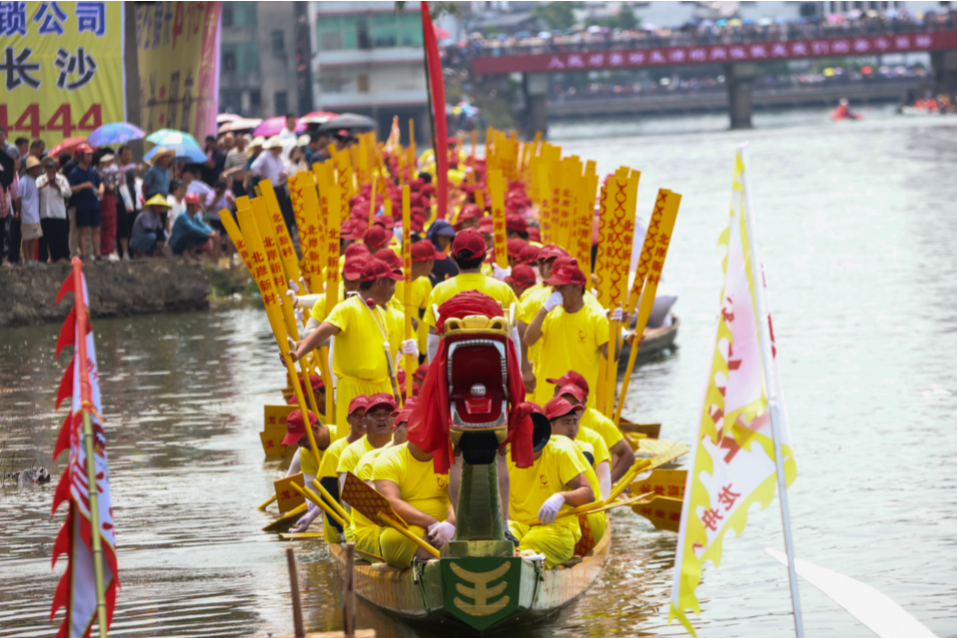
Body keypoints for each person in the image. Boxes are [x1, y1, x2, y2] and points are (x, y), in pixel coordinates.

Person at [289, 259, 414, 430]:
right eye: (391, 283)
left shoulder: (380, 312)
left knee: (382, 444)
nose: (394, 289)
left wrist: (393, 384)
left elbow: (385, 351)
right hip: (353, 389)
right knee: (353, 442)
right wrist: (298, 353)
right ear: (378, 283)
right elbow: (319, 333)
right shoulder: (347, 309)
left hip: (381, 387)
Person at [524, 258, 622, 408]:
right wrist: (543, 310)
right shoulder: (550, 313)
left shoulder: (595, 316)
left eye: (562, 288)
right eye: (555, 287)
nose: (556, 292)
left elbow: (612, 356)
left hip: (578, 404)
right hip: (547, 399)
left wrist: (614, 328)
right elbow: (528, 340)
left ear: (577, 290)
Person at [506, 414, 594, 569]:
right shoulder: (505, 457)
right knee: (498, 542)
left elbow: (588, 494)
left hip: (558, 528)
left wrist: (562, 497)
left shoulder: (560, 453)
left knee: (532, 542)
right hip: (521, 526)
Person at [423, 228, 519, 361]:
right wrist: (516, 375)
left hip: (452, 371)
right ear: (485, 257)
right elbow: (513, 339)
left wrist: (436, 377)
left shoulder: (440, 290)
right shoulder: (503, 289)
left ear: (452, 257)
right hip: (496, 372)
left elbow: (433, 340)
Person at [373, 420, 455, 569]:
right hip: (401, 529)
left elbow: (459, 499)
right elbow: (391, 502)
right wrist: (432, 523)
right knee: (421, 537)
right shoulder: (388, 459)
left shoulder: (449, 456)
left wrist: (450, 523)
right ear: (410, 433)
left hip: (447, 528)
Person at [291, 395, 369, 539]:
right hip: (341, 528)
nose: (362, 420)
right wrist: (312, 511)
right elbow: (327, 495)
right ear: (348, 420)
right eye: (357, 416)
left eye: (366, 415)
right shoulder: (334, 451)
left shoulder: (381, 445)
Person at [544, 396, 608, 544]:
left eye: (575, 422)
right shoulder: (544, 449)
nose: (573, 428)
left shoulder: (583, 447)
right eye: (567, 423)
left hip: (587, 524)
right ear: (548, 426)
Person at [550, 373, 634, 482]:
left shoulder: (600, 423)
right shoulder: (552, 418)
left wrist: (607, 483)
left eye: (558, 390)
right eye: (557, 392)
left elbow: (627, 454)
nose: (554, 395)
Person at [337, 393, 397, 541]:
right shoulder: (350, 453)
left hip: (399, 521)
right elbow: (349, 502)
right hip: (362, 527)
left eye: (386, 414)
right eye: (375, 415)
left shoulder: (404, 445)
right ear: (365, 420)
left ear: (395, 419)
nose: (381, 418)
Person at [68, 144, 104, 260]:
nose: (90, 158)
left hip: (94, 204)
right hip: (82, 205)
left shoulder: (93, 171)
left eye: (90, 155)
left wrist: (100, 190)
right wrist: (83, 186)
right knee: (82, 230)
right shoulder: (75, 172)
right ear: (80, 157)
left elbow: (100, 183)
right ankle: (83, 254)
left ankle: (97, 253)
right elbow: (71, 190)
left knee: (96, 229)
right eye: (87, 155)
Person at [37, 157, 71, 263]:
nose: (51, 174)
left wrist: (58, 187)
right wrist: (44, 185)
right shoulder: (40, 179)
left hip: (58, 212)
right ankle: (53, 257)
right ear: (45, 171)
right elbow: (35, 191)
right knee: (48, 236)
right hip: (45, 213)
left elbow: (68, 192)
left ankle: (64, 256)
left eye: (53, 172)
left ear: (56, 171)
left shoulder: (62, 179)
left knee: (61, 236)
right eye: (49, 172)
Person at [169, 193, 221, 260]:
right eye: (197, 206)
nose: (198, 208)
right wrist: (208, 234)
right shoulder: (183, 216)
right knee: (194, 233)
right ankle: (184, 253)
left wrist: (213, 231)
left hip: (185, 242)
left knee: (203, 236)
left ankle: (190, 253)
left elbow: (203, 226)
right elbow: (193, 228)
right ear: (190, 207)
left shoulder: (195, 216)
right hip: (177, 245)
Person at [114, 145, 141, 260]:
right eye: (125, 154)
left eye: (129, 154)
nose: (128, 156)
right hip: (122, 202)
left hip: (132, 202)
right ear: (119, 156)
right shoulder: (116, 170)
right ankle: (124, 252)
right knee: (123, 227)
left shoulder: (131, 169)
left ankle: (130, 251)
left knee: (131, 227)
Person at [15, 156, 43, 264]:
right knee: (27, 238)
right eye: (36, 168)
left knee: (33, 237)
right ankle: (27, 259)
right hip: (27, 214)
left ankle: (31, 258)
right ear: (30, 169)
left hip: (34, 214)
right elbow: (18, 199)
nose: (38, 170)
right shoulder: (24, 181)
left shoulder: (32, 180)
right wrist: (19, 211)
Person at [96, 153, 118, 259]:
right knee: (108, 224)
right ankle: (107, 251)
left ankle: (109, 250)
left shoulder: (106, 173)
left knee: (112, 225)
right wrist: (112, 184)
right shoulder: (99, 173)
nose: (110, 163)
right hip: (106, 200)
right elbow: (110, 187)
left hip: (110, 200)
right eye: (108, 161)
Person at [424, 220, 458, 286]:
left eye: (449, 239)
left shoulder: (425, 244)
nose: (447, 242)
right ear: (434, 235)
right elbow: (456, 269)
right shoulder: (432, 250)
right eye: (444, 237)